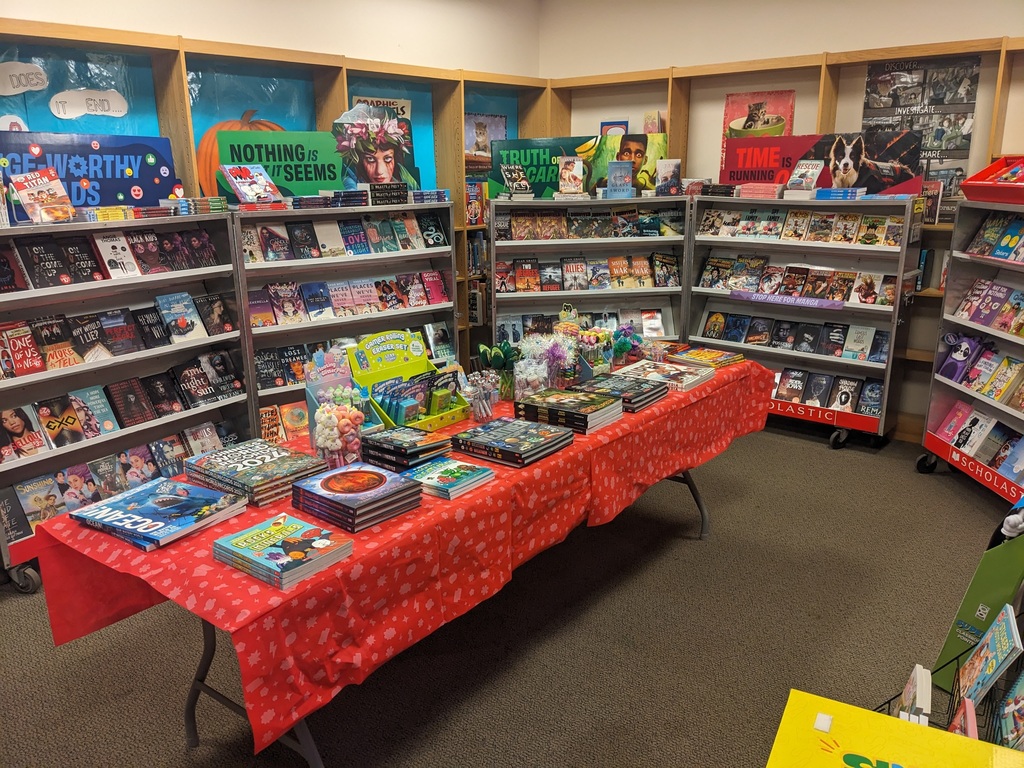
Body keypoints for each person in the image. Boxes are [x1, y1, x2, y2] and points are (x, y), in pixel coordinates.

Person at [334, 103, 419, 190]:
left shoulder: (407, 181)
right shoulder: (351, 184)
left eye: (388, 159)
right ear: (359, 160)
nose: (379, 171)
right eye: (370, 159)